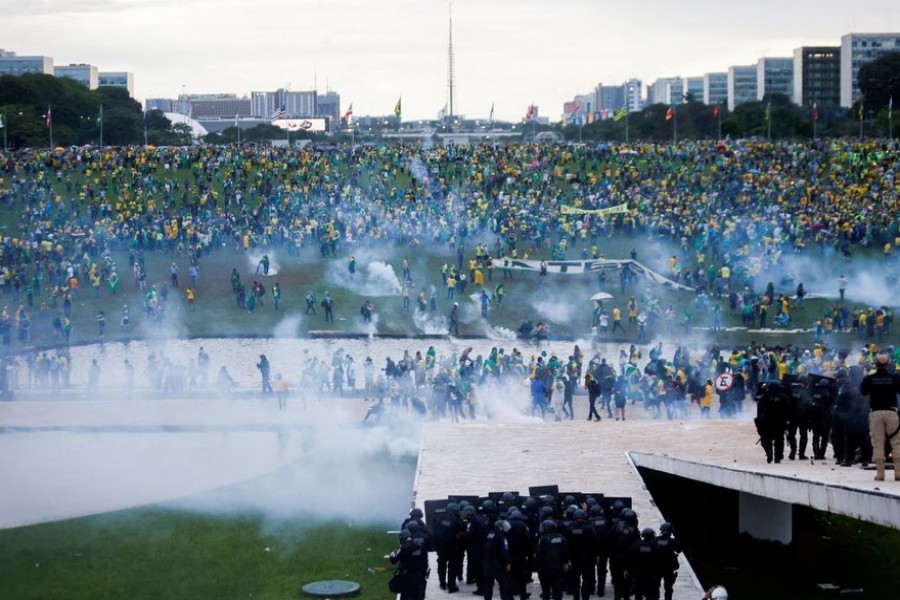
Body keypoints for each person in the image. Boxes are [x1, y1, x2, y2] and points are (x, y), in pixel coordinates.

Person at [859, 353, 900, 481]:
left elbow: (863, 392)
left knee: (878, 443)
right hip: (892, 412)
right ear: (888, 365)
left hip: (876, 413)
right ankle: (898, 473)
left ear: (875, 365)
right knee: (896, 442)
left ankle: (880, 473)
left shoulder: (869, 378)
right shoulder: (895, 378)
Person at [754, 380, 790, 463]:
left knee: (767, 439)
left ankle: (769, 451)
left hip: (767, 422)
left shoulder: (765, 397)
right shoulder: (783, 397)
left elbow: (759, 406)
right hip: (780, 423)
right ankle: (777, 457)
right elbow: (788, 409)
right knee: (779, 441)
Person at [387, 529, 428, 600]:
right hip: (419, 576)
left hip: (407, 577)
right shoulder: (420, 547)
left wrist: (391, 556)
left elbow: (394, 560)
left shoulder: (404, 549)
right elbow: (425, 562)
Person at [535, 519, 569, 600]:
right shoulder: (562, 538)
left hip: (545, 569)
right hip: (558, 568)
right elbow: (566, 552)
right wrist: (566, 562)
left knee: (546, 591)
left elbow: (539, 555)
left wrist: (537, 567)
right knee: (557, 590)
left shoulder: (543, 539)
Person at [655, 522, 681, 600]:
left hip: (657, 566)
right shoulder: (672, 541)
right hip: (669, 567)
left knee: (655, 586)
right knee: (668, 588)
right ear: (670, 531)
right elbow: (679, 550)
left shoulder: (656, 539)